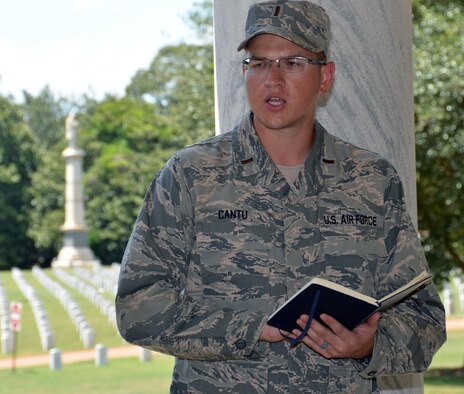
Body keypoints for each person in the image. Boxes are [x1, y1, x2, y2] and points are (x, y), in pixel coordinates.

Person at [115, 1, 446, 392]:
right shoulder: (190, 176)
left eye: (293, 62)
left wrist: (371, 344)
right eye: (258, 63)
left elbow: (423, 317)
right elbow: (138, 308)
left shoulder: (372, 181)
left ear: (325, 78)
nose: (272, 79)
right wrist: (254, 326)